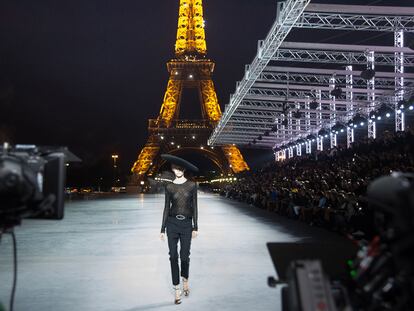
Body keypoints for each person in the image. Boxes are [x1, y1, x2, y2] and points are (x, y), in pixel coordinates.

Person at [159, 154, 199, 305]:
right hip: (172, 224)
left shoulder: (192, 185)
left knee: (184, 257)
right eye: (175, 167)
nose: (177, 170)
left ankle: (185, 280)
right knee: (173, 257)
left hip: (187, 225)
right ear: (172, 168)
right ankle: (177, 289)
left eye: (180, 167)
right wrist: (162, 229)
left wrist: (196, 226)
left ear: (184, 169)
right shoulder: (168, 186)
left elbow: (195, 207)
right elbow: (165, 208)